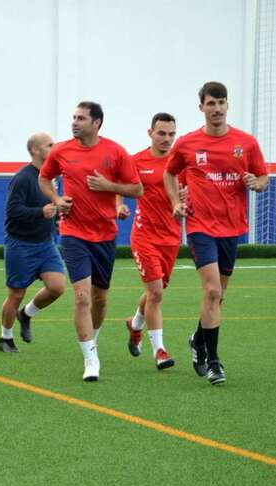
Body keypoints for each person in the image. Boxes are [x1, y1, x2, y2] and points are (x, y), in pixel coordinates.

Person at [164, 81, 268, 385]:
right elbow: (169, 173)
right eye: (211, 103)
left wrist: (256, 182)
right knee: (211, 291)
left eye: (221, 102)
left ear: (227, 105)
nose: (217, 109)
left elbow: (262, 178)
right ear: (202, 108)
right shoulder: (187, 143)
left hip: (231, 227)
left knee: (219, 295)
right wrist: (175, 202)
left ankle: (198, 339)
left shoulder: (246, 143)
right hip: (199, 226)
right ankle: (214, 362)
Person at [39, 101, 143, 381]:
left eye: (81, 118)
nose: (74, 122)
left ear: (96, 123)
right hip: (73, 232)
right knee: (82, 297)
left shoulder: (116, 151)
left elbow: (137, 189)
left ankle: (92, 339)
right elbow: (44, 178)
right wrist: (57, 199)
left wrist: (109, 187)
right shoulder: (61, 150)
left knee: (100, 298)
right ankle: (90, 358)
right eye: (73, 117)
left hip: (105, 235)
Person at [118, 113, 181, 370]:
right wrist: (119, 206)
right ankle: (160, 351)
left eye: (171, 134)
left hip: (171, 238)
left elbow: (187, 192)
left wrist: (186, 196)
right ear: (150, 133)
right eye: (161, 133)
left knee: (154, 292)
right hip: (144, 237)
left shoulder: (180, 162)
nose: (166, 139)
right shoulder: (136, 161)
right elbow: (121, 187)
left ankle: (135, 326)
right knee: (155, 293)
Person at [0, 133, 65, 353]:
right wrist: (40, 212)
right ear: (35, 150)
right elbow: (12, 211)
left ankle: (26, 314)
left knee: (57, 287)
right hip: (20, 244)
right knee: (16, 294)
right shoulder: (23, 178)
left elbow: (53, 208)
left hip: (46, 244)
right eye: (49, 145)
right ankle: (5, 338)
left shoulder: (52, 177)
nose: (54, 148)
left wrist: (58, 217)